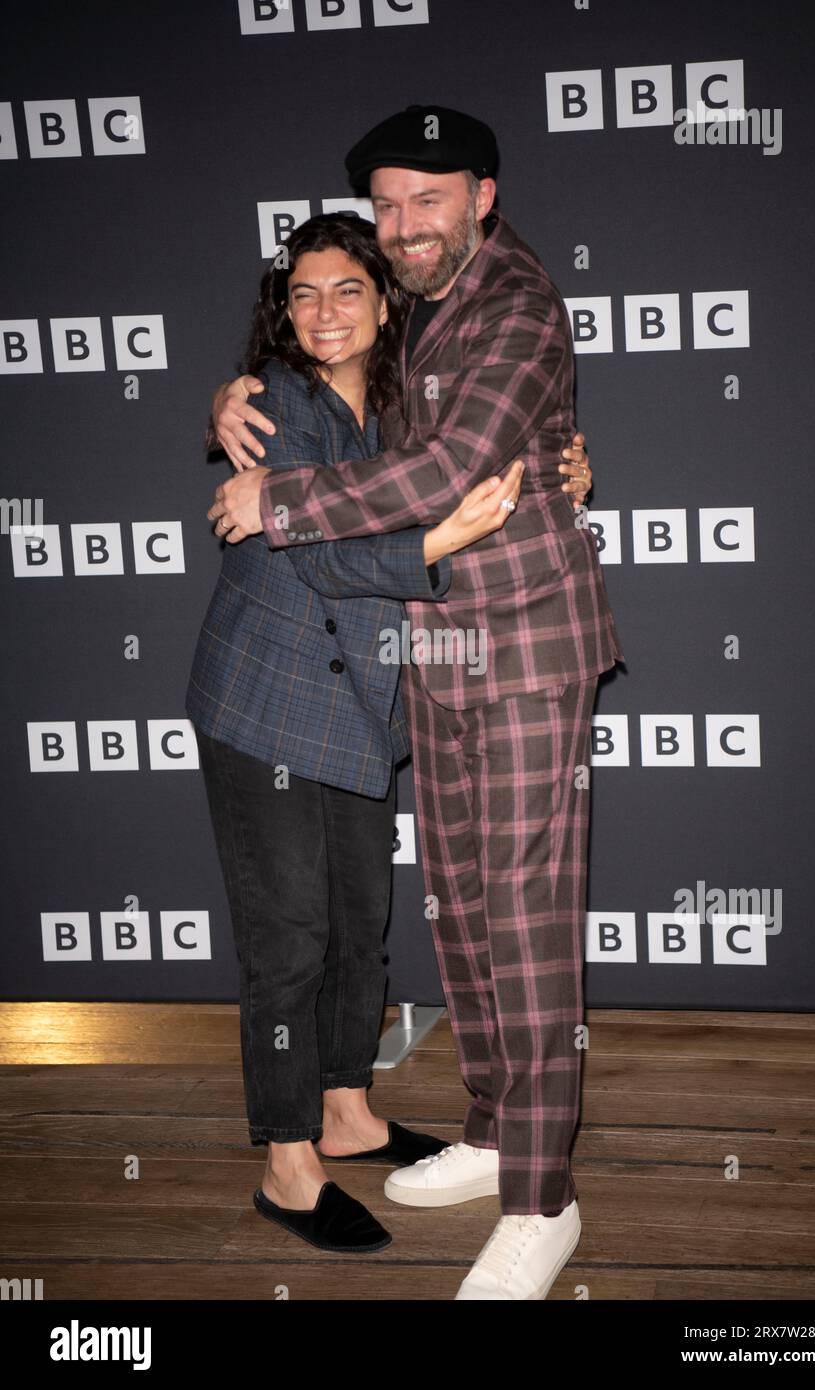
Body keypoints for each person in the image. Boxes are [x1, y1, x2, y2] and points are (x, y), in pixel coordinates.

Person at [207, 105, 624, 1300]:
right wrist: (230, 401)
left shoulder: (513, 302)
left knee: (527, 927)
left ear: (481, 197)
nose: (403, 226)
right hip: (429, 647)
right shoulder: (419, 306)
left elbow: (446, 471)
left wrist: (280, 504)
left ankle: (541, 1199)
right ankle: (496, 1131)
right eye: (386, 205)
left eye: (425, 200)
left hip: (524, 644)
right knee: (463, 913)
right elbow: (345, 410)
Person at [187, 211, 534, 1255]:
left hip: (358, 707)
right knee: (289, 941)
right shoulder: (272, 408)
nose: (324, 310)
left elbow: (485, 448)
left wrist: (560, 467)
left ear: (387, 303)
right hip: (266, 702)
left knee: (355, 926)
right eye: (303, 292)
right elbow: (323, 558)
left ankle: (346, 1111)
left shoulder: (408, 415)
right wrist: (437, 537)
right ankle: (286, 1164)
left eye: (348, 289)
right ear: (279, 312)